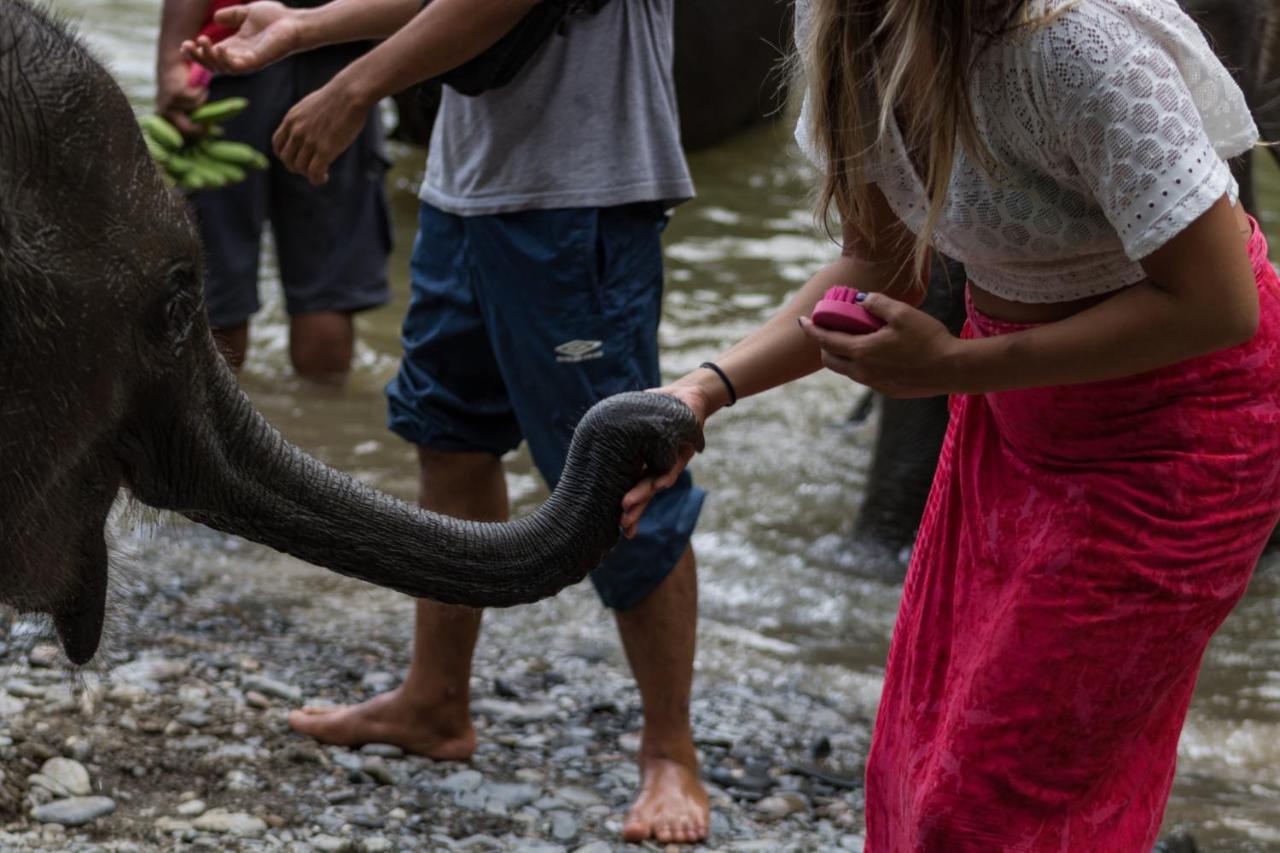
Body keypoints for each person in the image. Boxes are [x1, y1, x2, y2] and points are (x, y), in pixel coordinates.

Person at [622, 0, 1280, 849]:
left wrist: (952, 369)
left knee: (992, 804)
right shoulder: (844, 26)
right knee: (913, 767)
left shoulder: (1076, 48)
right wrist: (704, 391)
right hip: (1020, 410)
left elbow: (1218, 306)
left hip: (1186, 431)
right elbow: (883, 260)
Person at [184, 0, 709, 843]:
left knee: (624, 471)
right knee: (450, 437)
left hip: (582, 192)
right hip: (466, 188)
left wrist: (353, 86)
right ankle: (434, 701)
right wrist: (306, 28)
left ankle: (669, 750)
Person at [156, 0, 391, 383]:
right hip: (344, 58)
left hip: (231, 50)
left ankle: (218, 431)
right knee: (326, 288)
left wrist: (171, 62)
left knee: (215, 276)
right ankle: (319, 429)